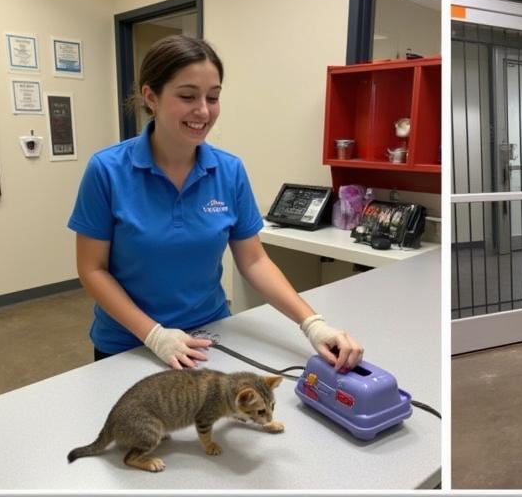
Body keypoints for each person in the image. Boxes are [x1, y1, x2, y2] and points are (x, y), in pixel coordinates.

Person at [67, 35, 363, 372]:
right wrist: (154, 335)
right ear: (151, 97)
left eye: (213, 97)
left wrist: (313, 324)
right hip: (127, 344)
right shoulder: (107, 170)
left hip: (210, 335)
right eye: (187, 96)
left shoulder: (229, 170)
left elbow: (253, 261)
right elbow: (92, 270)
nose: (203, 111)